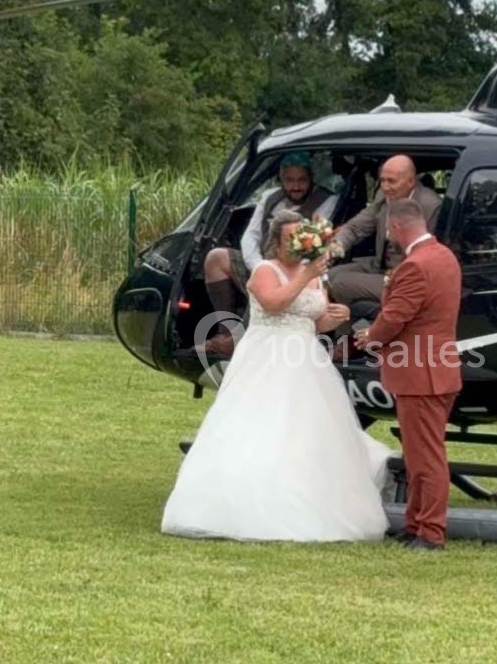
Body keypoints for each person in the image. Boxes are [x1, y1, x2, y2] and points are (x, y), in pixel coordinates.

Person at [162, 211, 391, 542]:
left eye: (301, 238)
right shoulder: (264, 272)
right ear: (276, 242)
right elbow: (273, 304)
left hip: (306, 356)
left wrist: (336, 315)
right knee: (262, 420)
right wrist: (307, 273)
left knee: (308, 425)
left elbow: (316, 319)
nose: (297, 246)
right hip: (268, 353)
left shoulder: (313, 275)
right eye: (290, 240)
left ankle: (310, 495)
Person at [354, 198, 462, 552]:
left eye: (388, 228)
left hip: (420, 373)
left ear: (397, 227)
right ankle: (416, 523)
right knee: (419, 453)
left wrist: (369, 337)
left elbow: (395, 317)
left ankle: (431, 531)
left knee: (426, 456)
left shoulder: (415, 266)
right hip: (437, 368)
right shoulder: (444, 257)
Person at [200, 154, 337, 355]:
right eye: (290, 180)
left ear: (311, 179)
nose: (296, 186)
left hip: (297, 270)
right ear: (280, 180)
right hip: (262, 264)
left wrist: (281, 272)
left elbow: (316, 246)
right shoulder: (269, 197)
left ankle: (234, 344)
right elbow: (250, 236)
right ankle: (226, 332)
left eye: (302, 180)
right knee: (216, 258)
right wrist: (261, 268)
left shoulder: (327, 200)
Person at [327, 154, 442, 311]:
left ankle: (349, 332)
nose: (385, 187)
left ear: (411, 181)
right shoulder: (384, 196)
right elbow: (356, 226)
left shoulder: (430, 205)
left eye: (391, 181)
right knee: (328, 276)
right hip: (378, 264)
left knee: (341, 283)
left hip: (405, 278)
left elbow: (430, 253)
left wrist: (396, 275)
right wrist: (335, 246)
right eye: (382, 180)